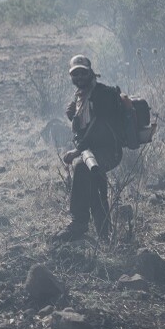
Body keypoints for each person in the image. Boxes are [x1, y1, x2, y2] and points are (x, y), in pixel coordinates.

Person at [57, 55, 124, 242]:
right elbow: (85, 128)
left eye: (82, 73)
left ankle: (79, 222)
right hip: (94, 151)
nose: (79, 77)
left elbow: (98, 129)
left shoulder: (101, 94)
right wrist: (74, 118)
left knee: (81, 168)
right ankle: (105, 234)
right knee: (95, 184)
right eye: (75, 74)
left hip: (109, 151)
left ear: (90, 72)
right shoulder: (81, 97)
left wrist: (77, 151)